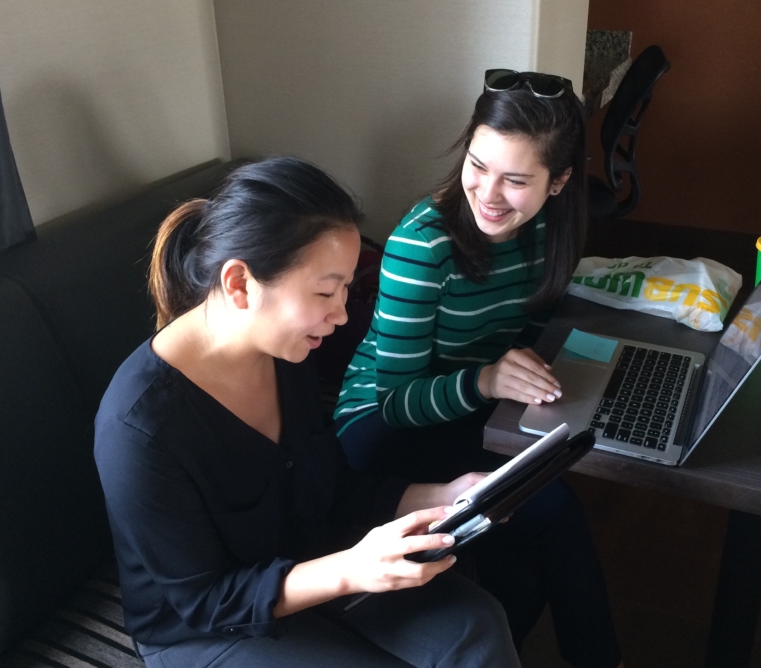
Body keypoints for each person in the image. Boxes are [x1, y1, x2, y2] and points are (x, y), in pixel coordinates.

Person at [93, 158, 521, 668]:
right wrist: (350, 570)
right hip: (204, 629)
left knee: (477, 626)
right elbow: (205, 600)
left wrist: (442, 496)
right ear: (239, 284)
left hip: (310, 561)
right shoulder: (140, 428)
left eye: (344, 290)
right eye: (324, 292)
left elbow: (330, 490)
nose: (341, 315)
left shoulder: (285, 355)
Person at [336, 71, 624, 668]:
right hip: (380, 426)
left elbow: (520, 325)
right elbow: (393, 401)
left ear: (559, 181)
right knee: (552, 512)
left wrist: (525, 373)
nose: (488, 195)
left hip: (468, 412)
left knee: (526, 551)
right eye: (477, 165)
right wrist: (486, 381)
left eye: (516, 180)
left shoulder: (550, 230)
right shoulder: (425, 244)